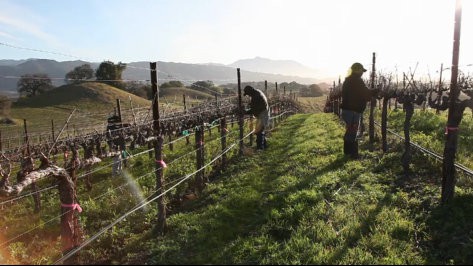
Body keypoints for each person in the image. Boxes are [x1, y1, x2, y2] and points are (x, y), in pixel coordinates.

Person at [340, 62, 378, 159]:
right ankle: (354, 155)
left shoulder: (348, 81)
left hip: (347, 110)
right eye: (361, 71)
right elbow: (365, 93)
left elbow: (360, 93)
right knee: (353, 132)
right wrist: (375, 91)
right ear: (357, 70)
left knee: (350, 130)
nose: (362, 73)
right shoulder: (357, 81)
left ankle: (347, 152)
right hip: (353, 111)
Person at [243, 85, 270, 150]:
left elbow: (254, 109)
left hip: (262, 114)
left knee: (259, 131)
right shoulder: (257, 92)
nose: (248, 95)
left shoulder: (256, 97)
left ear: (250, 92)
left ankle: (260, 148)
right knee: (260, 131)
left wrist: (245, 112)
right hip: (264, 113)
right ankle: (264, 146)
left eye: (248, 94)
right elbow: (255, 106)